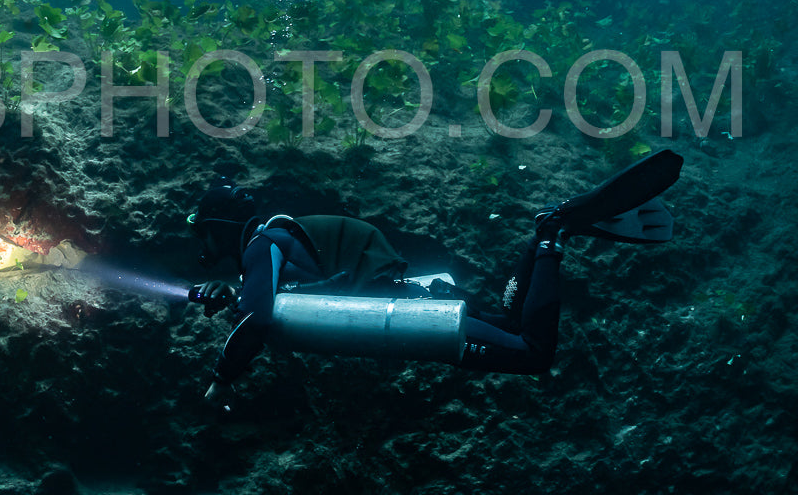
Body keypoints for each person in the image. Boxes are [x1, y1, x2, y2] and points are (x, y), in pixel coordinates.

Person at [188, 150, 683, 406]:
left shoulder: (261, 245)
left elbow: (256, 319)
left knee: (532, 351)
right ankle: (543, 238)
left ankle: (553, 234)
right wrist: (230, 294)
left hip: (410, 315)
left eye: (205, 239)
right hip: (411, 299)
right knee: (513, 322)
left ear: (221, 227)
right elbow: (287, 291)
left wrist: (221, 381)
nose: (205, 252)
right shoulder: (274, 246)